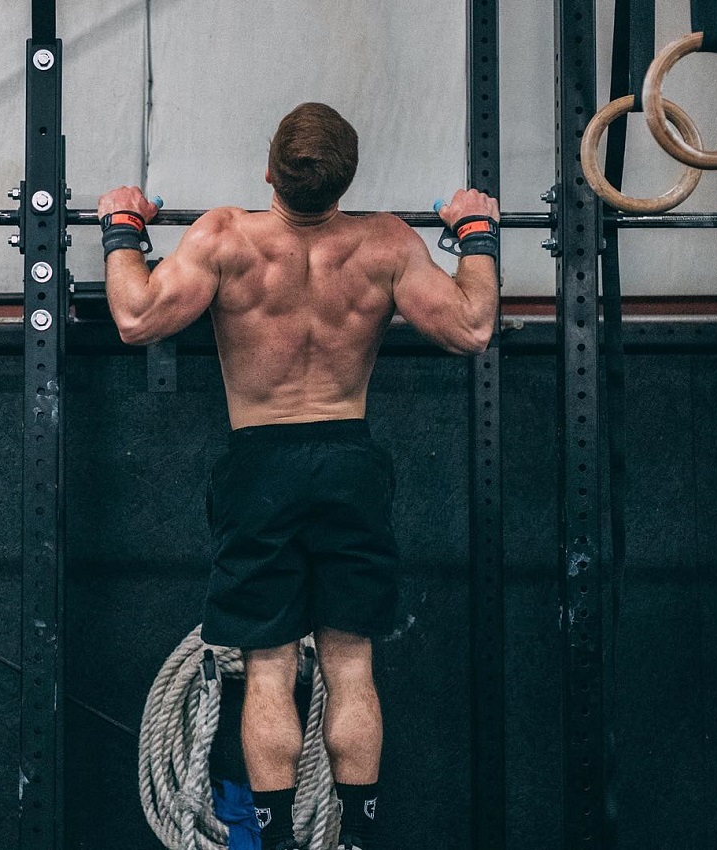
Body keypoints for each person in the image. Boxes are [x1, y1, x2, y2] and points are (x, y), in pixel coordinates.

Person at [99, 102, 499, 850]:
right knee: (350, 661)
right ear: (346, 181)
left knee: (271, 666)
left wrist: (124, 225)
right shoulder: (385, 243)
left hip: (261, 464)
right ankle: (357, 840)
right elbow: (473, 326)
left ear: (268, 172)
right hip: (349, 460)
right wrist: (475, 230)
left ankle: (279, 841)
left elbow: (136, 315)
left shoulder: (225, 235)